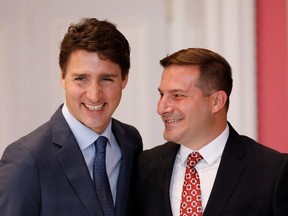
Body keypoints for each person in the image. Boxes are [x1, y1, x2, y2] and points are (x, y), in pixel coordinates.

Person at [0, 18, 143, 216]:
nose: (94, 94)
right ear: (63, 78)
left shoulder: (130, 140)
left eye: (107, 79)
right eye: (81, 79)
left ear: (124, 79)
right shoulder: (26, 159)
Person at [134, 48, 288, 216]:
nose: (161, 108)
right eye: (161, 94)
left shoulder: (273, 171)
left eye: (177, 95)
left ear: (217, 101)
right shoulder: (144, 166)